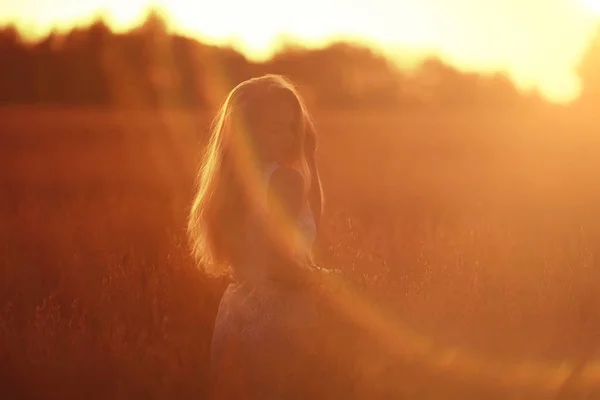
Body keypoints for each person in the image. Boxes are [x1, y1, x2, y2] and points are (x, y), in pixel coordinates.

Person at [187, 74, 331, 398]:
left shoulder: (232, 188)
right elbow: (281, 269)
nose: (291, 137)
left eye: (294, 126)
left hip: (235, 315)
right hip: (281, 322)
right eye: (276, 128)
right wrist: (329, 283)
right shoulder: (285, 181)